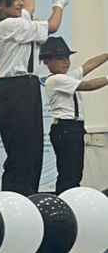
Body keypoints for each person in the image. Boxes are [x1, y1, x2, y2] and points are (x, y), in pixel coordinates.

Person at [0, 0, 65, 196]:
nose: (20, 3)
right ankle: (14, 201)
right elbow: (52, 26)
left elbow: (28, 8)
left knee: (32, 150)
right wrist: (59, 4)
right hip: (14, 88)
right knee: (21, 152)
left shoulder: (17, 19)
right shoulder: (7, 25)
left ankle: (29, 197)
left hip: (26, 87)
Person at [40, 36, 108, 194]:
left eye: (67, 57)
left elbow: (87, 66)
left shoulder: (67, 77)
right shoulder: (55, 80)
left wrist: (106, 55)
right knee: (69, 174)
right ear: (47, 61)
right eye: (60, 58)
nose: (66, 61)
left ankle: (69, 199)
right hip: (66, 128)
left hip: (72, 128)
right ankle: (66, 201)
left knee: (74, 172)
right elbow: (88, 85)